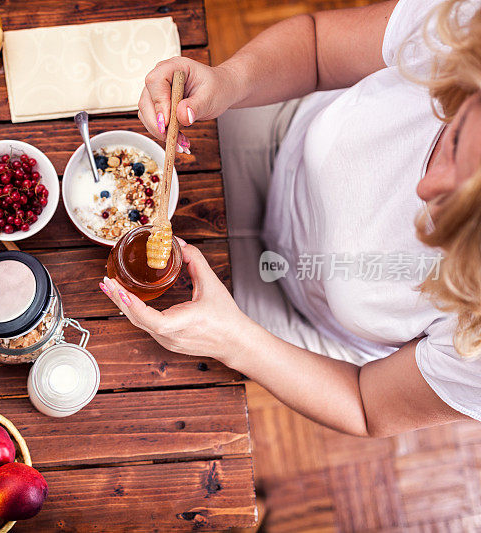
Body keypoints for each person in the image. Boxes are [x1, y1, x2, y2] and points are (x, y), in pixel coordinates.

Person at [100, 0, 481, 437]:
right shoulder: (469, 25)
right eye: (453, 142)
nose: (424, 188)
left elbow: (365, 405)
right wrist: (229, 82)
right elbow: (317, 47)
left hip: (292, 317)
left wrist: (233, 339)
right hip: (282, 137)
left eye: (458, 218)